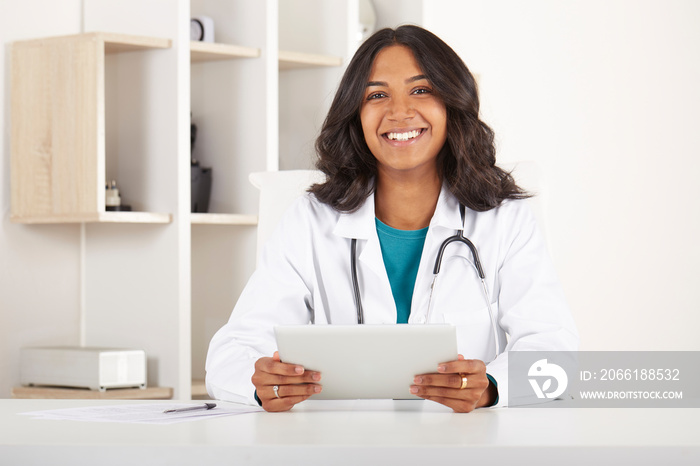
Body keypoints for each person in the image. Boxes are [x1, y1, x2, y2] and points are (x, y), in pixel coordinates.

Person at [205, 25, 578, 413]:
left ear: (452, 103)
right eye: (377, 95)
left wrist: (491, 388)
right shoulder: (310, 221)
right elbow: (233, 350)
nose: (399, 112)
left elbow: (555, 350)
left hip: (464, 444)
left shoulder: (505, 220)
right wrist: (260, 381)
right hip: (342, 445)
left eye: (421, 90)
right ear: (356, 113)